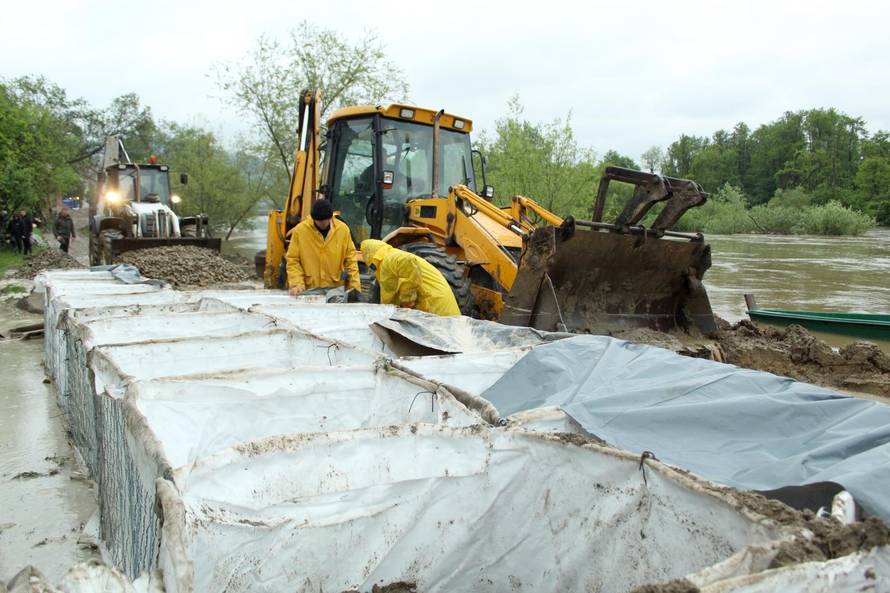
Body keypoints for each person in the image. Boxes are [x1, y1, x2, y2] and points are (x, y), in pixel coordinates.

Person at [360, 239, 460, 316]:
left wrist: (407, 300)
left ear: (369, 254)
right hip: (437, 304)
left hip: (435, 306)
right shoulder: (385, 263)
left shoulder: (390, 257)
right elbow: (390, 292)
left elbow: (407, 261)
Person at [286, 199, 360, 295]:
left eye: (325, 221)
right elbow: (293, 260)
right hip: (309, 289)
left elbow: (351, 260)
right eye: (319, 221)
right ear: (313, 218)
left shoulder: (343, 230)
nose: (322, 224)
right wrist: (296, 284)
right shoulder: (300, 231)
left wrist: (354, 287)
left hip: (336, 289)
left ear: (330, 217)